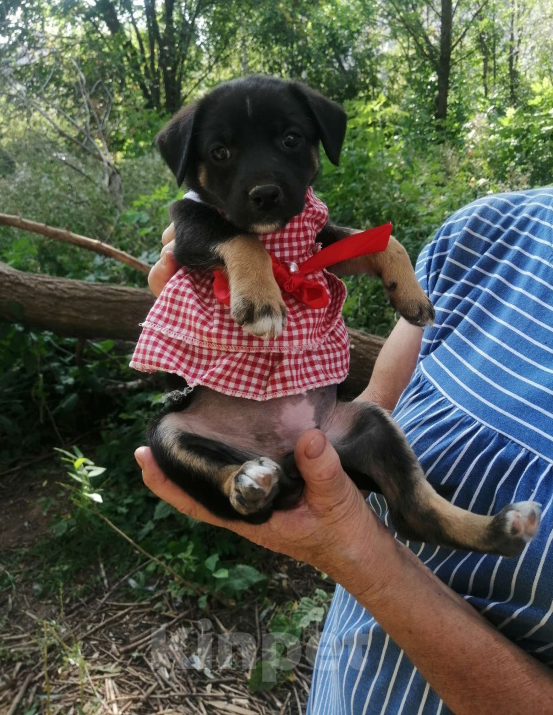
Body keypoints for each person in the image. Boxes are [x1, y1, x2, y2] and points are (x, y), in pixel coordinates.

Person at [135, 188, 553, 713]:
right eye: (222, 154)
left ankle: (451, 522)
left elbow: (352, 252)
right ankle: (233, 480)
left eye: (290, 143)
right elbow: (383, 396)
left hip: (315, 425)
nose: (262, 179)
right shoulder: (489, 228)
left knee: (371, 428)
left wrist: (387, 254)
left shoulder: (308, 222)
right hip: (239, 424)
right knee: (170, 431)